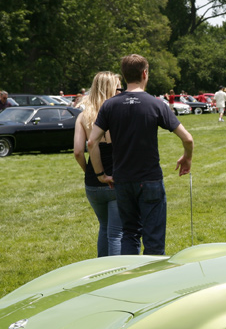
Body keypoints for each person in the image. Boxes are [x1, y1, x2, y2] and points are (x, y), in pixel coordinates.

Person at [87, 54, 193, 257]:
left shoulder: (109, 106)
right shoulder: (156, 104)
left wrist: (101, 174)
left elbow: (91, 142)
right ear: (145, 74)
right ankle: (151, 283)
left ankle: (129, 281)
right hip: (150, 179)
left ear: (124, 76)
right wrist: (187, 157)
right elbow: (187, 139)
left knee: (129, 234)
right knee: (153, 240)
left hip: (123, 180)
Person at [74, 71, 122, 257]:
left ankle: (101, 274)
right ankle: (117, 274)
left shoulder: (83, 116)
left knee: (104, 227)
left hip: (93, 183)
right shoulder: (117, 114)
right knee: (117, 233)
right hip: (116, 179)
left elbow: (78, 152)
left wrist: (92, 171)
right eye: (118, 86)